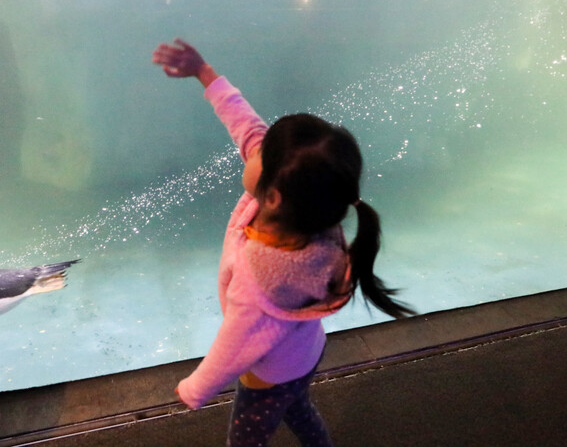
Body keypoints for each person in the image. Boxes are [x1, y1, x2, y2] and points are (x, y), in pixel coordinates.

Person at [152, 38, 413, 447]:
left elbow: (234, 343)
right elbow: (247, 126)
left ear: (272, 194)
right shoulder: (312, 213)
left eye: (261, 151)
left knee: (246, 440)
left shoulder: (265, 280)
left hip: (268, 375)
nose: (251, 145)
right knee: (299, 407)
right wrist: (204, 72)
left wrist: (195, 388)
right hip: (304, 353)